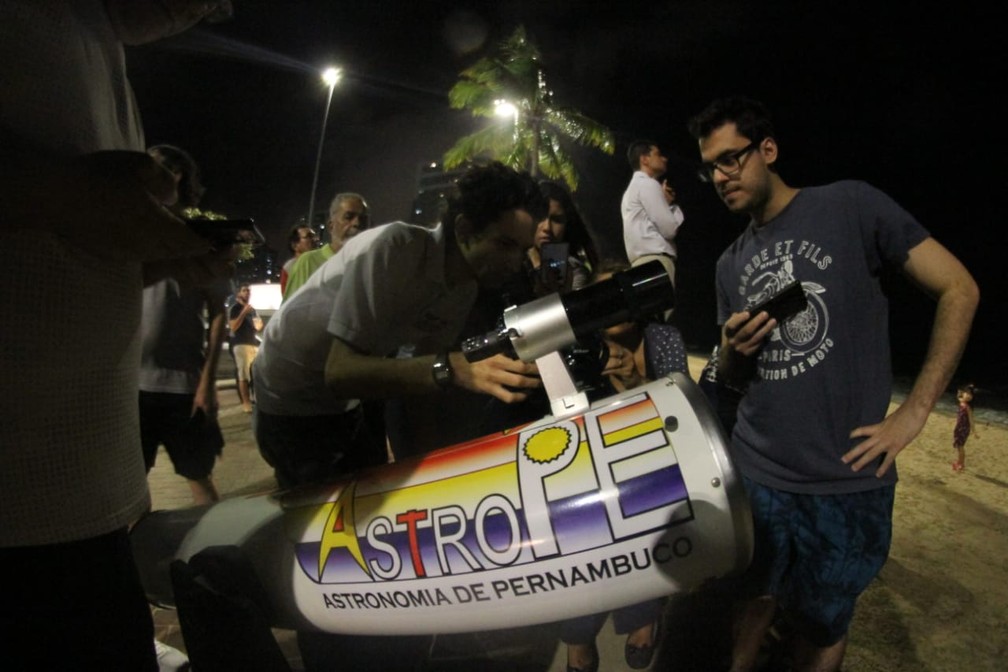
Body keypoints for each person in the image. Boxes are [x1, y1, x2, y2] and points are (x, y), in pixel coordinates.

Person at [686, 95, 979, 672]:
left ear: (767, 150)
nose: (722, 177)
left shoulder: (851, 205)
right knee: (749, 605)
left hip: (848, 480)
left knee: (822, 624)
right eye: (710, 168)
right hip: (759, 475)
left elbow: (959, 290)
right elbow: (736, 381)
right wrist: (729, 354)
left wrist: (914, 413)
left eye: (732, 159)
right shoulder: (729, 263)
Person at [0, 2, 235, 670]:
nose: (202, 11)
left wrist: (162, 259)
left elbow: (54, 266)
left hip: (85, 504)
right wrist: (66, 193)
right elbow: (61, 207)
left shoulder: (95, 38)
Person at [558, 260, 686, 672]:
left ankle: (643, 614)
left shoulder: (662, 338)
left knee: (652, 523)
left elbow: (681, 411)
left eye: (621, 294)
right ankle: (578, 635)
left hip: (652, 463)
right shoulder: (578, 347)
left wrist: (636, 387)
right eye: (602, 298)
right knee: (577, 534)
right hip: (589, 468)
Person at [140, 144, 228, 506]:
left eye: (173, 170)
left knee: (199, 478)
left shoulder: (199, 239)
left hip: (183, 387)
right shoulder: (129, 232)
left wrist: (206, 384)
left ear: (183, 181)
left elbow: (218, 311)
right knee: (128, 488)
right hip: (131, 388)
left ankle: (213, 555)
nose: (166, 177)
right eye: (156, 169)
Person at [621, 139, 685, 291]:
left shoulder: (630, 191)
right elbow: (670, 229)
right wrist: (671, 208)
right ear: (644, 159)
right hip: (656, 261)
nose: (664, 158)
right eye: (658, 154)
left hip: (639, 263)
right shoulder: (649, 184)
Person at [282, 192, 369, 300]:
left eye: (363, 219)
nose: (357, 223)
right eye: (348, 217)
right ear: (331, 226)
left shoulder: (370, 265)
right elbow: (291, 314)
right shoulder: (308, 262)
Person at [526, 179, 600, 294]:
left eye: (557, 220)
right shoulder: (514, 266)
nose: (547, 227)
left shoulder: (573, 270)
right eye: (540, 217)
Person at [229, 283, 263, 413]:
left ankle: (256, 398)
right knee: (243, 374)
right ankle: (246, 402)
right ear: (239, 294)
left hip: (254, 343)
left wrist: (259, 324)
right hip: (241, 344)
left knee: (256, 373)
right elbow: (233, 326)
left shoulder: (252, 310)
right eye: (244, 291)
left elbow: (258, 326)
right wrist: (243, 313)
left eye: (248, 291)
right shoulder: (235, 308)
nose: (247, 293)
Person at [279, 221, 319, 295]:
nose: (315, 239)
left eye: (314, 236)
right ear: (295, 245)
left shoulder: (322, 262)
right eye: (309, 236)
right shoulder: (289, 267)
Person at [951, 383, 979, 472]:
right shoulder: (962, 402)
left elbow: (971, 420)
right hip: (958, 427)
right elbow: (958, 396)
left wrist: (974, 432)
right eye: (967, 393)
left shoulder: (968, 407)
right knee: (959, 446)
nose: (968, 396)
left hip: (964, 429)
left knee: (961, 446)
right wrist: (960, 391)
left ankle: (961, 464)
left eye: (971, 395)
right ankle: (959, 462)